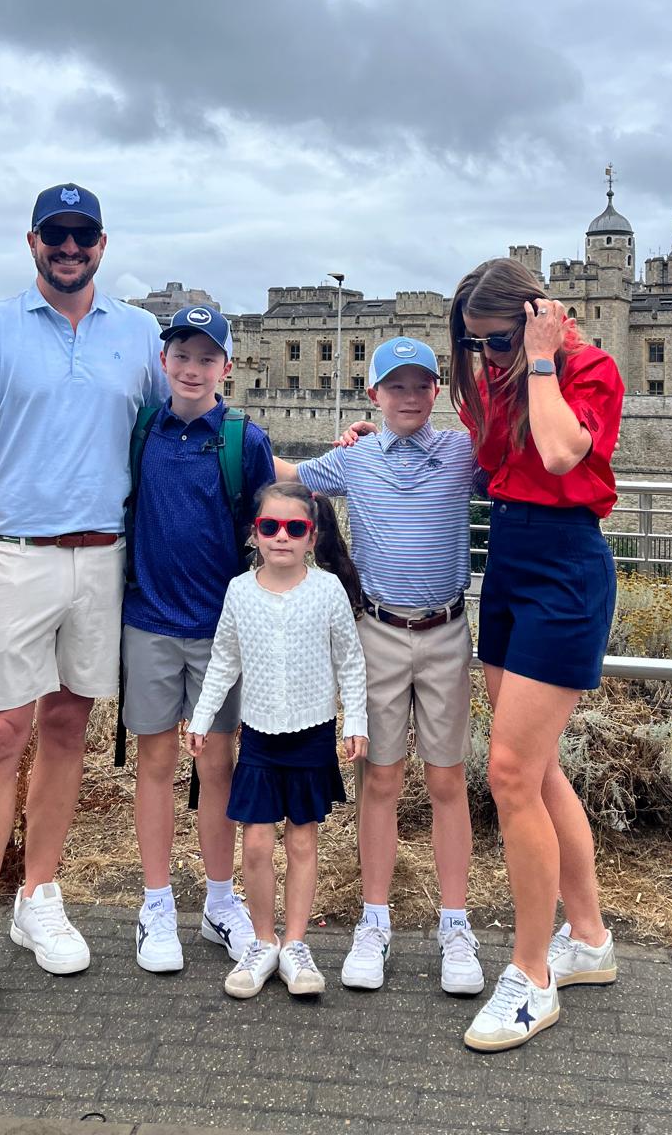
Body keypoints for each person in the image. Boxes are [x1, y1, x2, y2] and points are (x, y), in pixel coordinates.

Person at [0, 182, 167, 1036]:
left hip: (103, 557)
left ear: (102, 243)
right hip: (12, 555)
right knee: (1, 735)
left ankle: (39, 894)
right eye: (55, 235)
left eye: (83, 236)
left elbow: (182, 420)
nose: (70, 249)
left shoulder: (138, 334)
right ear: (33, 242)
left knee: (68, 726)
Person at [271, 337, 483, 996]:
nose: (410, 397)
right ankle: (374, 921)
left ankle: (455, 925)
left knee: (447, 780)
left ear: (438, 391)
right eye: (397, 386)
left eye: (421, 385)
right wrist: (223, 430)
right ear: (375, 395)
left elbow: (516, 460)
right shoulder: (354, 457)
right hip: (380, 635)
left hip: (446, 632)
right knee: (381, 780)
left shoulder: (462, 452)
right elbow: (289, 475)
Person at [448, 258, 624, 1053]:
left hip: (566, 565)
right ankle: (587, 938)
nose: (486, 356)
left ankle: (532, 976)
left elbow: (558, 454)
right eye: (474, 344)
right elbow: (485, 461)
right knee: (538, 770)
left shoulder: (588, 369)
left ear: (533, 319)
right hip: (511, 560)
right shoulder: (496, 376)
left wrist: (543, 359)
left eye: (496, 340)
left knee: (511, 774)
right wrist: (385, 445)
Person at [121, 305, 274, 975]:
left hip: (220, 632)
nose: (191, 368)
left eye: (206, 358)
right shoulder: (141, 431)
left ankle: (218, 900)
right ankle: (156, 903)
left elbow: (271, 527)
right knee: (154, 764)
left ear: (226, 368)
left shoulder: (245, 440)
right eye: (181, 355)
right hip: (150, 622)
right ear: (164, 361)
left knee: (216, 766)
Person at [185, 481, 368, 999]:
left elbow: (350, 661)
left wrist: (356, 721)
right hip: (260, 736)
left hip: (312, 733)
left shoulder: (327, 590)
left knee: (302, 839)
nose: (281, 536)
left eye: (294, 528)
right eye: (270, 526)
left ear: (311, 536)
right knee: (257, 842)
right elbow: (224, 660)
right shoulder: (240, 591)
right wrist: (202, 718)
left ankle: (295, 944)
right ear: (255, 534)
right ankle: (262, 941)